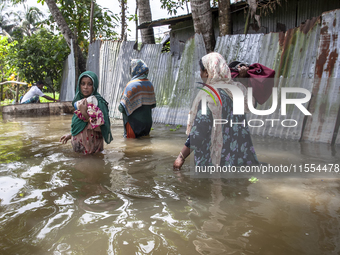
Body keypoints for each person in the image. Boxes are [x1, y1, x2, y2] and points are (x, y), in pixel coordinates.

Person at [173, 52, 259, 170]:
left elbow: (199, 131)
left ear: (208, 72)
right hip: (239, 159)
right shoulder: (237, 90)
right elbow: (252, 105)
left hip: (216, 162)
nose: (200, 74)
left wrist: (181, 157)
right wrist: (243, 81)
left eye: (201, 71)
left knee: (212, 187)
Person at [59, 71, 113, 154]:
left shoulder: (99, 103)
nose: (85, 87)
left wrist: (85, 114)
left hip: (91, 151)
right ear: (79, 85)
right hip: (79, 150)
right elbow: (81, 127)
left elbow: (102, 130)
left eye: (89, 84)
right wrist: (71, 135)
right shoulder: (79, 102)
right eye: (83, 84)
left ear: (94, 86)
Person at [118, 59, 156, 138]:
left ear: (134, 70)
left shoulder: (131, 86)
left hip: (133, 125)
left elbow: (122, 108)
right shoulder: (150, 84)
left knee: (130, 147)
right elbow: (153, 104)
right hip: (147, 125)